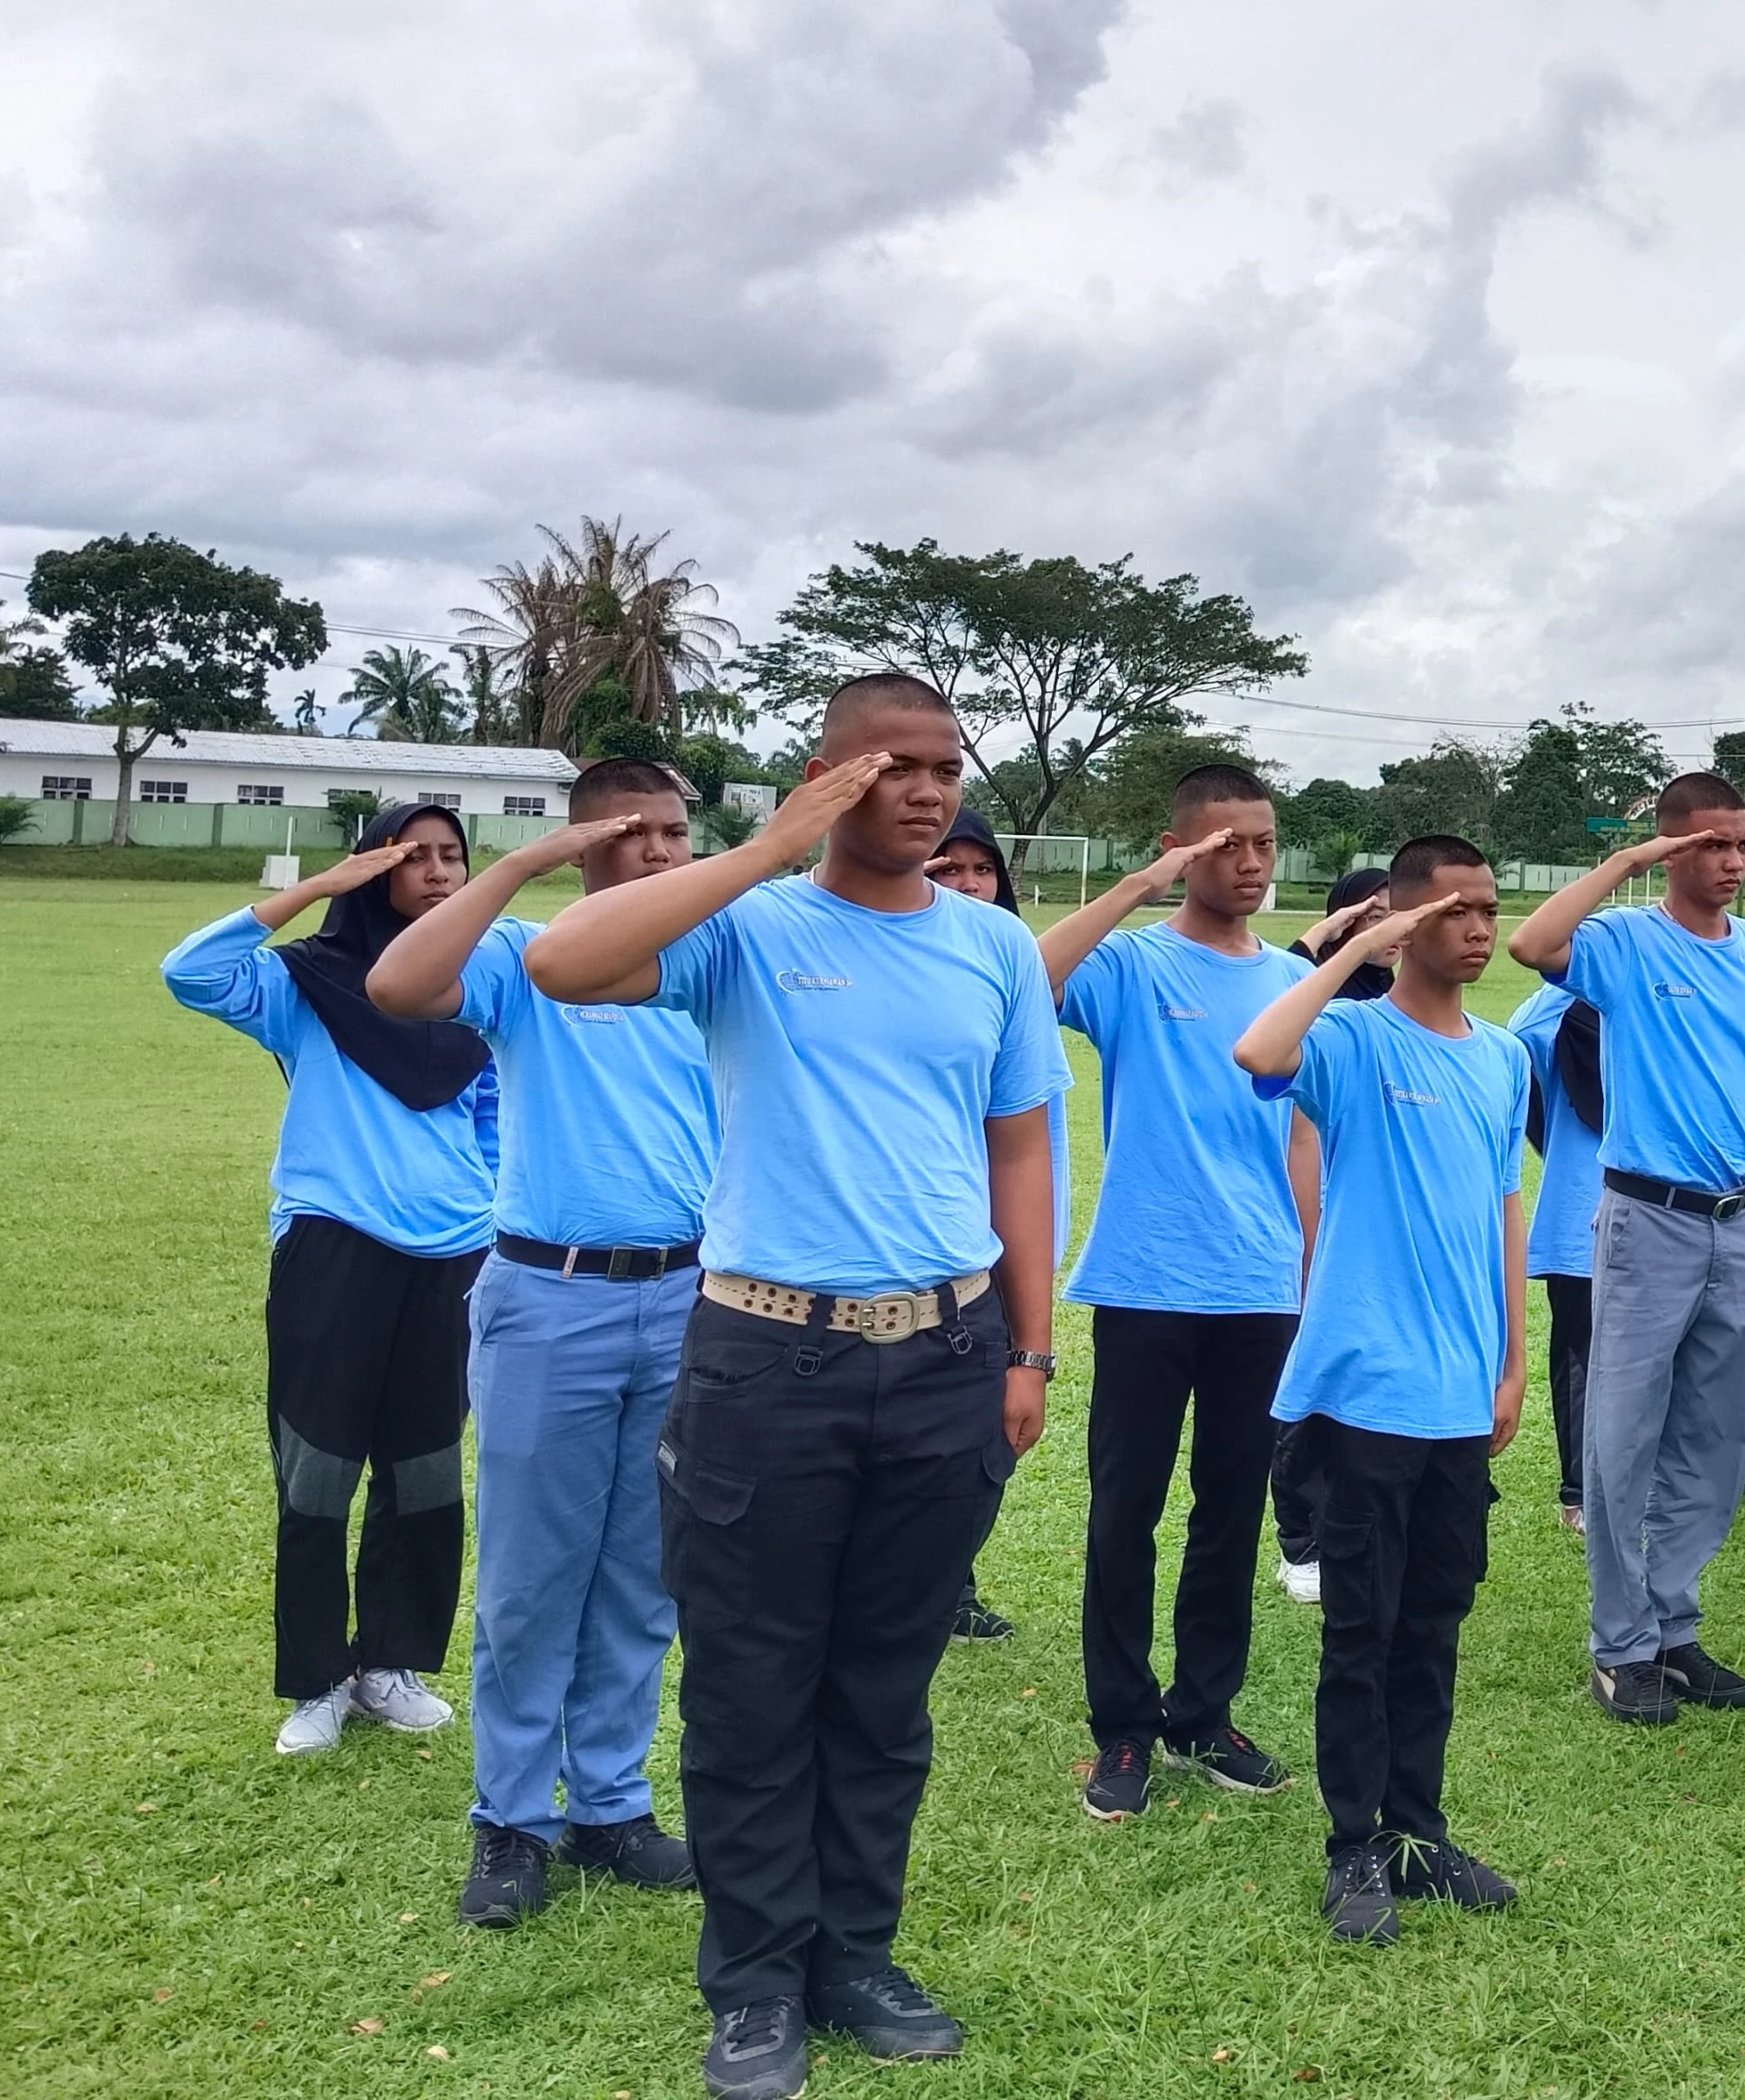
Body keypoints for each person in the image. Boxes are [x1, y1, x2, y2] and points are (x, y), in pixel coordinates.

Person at [527, 675, 1068, 2100]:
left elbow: (1020, 1147)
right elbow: (563, 963)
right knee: (757, 1686)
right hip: (769, 1358)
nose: (930, 790)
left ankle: (853, 1953)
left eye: (949, 766)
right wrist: (765, 848)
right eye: (897, 766)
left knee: (884, 1688)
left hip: (947, 1354)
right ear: (826, 773)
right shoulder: (748, 925)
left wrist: (1029, 1345)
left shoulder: (993, 944)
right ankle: (757, 1978)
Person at [362, 762, 711, 1927]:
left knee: (640, 1572)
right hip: (548, 1297)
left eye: (677, 830)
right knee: (529, 1577)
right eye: (635, 831)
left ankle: (609, 1800)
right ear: (584, 840)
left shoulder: (700, 965)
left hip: (688, 1293)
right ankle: (511, 1817)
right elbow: (402, 979)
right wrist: (519, 865)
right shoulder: (523, 956)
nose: (662, 851)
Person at [1230, 836, 1531, 1943]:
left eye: (1489, 908)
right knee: (1359, 1631)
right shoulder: (1352, 1039)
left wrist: (1510, 1361)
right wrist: (1354, 948)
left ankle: (1417, 1830)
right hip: (1362, 1392)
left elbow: (1505, 1207)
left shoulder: (1503, 1057)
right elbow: (1258, 1051)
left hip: (1461, 1393)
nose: (1479, 926)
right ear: (1403, 920)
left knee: (1434, 1627)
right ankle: (1352, 1842)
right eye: (1455, 910)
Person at [164, 802, 496, 1760]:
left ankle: (390, 1663)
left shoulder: (472, 984)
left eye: (453, 855)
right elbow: (190, 971)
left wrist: (483, 1197)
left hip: (454, 1253)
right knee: (317, 1470)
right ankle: (315, 1677)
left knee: (427, 1469)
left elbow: (494, 1114)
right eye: (414, 855)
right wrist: (313, 890)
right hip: (332, 1243)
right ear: (373, 866)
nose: (438, 871)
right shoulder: (304, 983)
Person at [1034, 763, 1311, 1820]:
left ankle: (1205, 1709)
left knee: (1231, 1509)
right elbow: (1030, 975)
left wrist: (1304, 1260)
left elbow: (1300, 1134)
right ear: (1180, 847)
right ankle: (1122, 1724)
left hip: (1258, 1287)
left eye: (1262, 842)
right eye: (1222, 844)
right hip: (1148, 1280)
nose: (1247, 861)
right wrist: (1139, 885)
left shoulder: (1292, 977)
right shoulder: (1135, 963)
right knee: (1126, 1509)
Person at [1506, 772, 1745, 1727]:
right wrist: (1623, 862)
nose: (1733, 861)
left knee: (1714, 1435)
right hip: (1644, 1218)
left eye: (1741, 843)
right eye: (1710, 844)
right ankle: (1619, 1643)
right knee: (1623, 1437)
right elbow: (1531, 943)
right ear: (1670, 849)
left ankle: (1673, 1621)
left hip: (1732, 1218)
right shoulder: (1624, 941)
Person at [920, 811, 1064, 1648]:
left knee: (986, 1434)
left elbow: (1022, 1146)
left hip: (1002, 1251)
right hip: (928, 1250)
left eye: (981, 869)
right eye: (950, 870)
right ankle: (946, 1581)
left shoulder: (1002, 966)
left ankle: (953, 1575)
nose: (968, 884)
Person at [1262, 867, 1396, 1602]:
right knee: (1307, 1381)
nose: (1390, 930)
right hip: (1318, 1216)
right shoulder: (1314, 997)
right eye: (1374, 915)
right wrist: (1332, 935)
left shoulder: (1407, 1005)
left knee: (1367, 1380)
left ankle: (1358, 1522)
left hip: (1382, 1225)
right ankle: (1299, 1538)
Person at [1505, 977, 1607, 1529]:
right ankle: (1579, 1491)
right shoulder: (1561, 1035)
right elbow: (1521, 1029)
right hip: (1576, 1225)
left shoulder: (1641, 1032)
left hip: (1652, 1221)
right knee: (1581, 1360)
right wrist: (1571, 978)